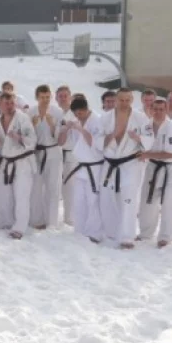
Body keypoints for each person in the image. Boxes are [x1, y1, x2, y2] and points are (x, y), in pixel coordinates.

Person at [100, 88, 153, 249]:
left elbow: (150, 139)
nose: (124, 103)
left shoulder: (141, 118)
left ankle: (127, 236)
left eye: (127, 100)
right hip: (111, 163)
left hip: (131, 163)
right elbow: (97, 140)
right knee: (108, 198)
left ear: (132, 100)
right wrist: (112, 135)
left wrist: (139, 138)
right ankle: (111, 231)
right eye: (121, 100)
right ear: (116, 100)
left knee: (129, 198)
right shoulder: (105, 117)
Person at [0, 92, 37, 239]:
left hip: (23, 161)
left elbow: (32, 140)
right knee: (2, 194)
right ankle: (6, 222)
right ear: (0, 104)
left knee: (21, 195)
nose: (9, 106)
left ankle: (20, 227)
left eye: (11, 103)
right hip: (7, 161)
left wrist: (19, 137)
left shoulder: (23, 118)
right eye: (6, 103)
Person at [136, 97, 172, 247]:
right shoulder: (146, 126)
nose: (158, 112)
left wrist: (147, 155)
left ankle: (165, 236)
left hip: (171, 168)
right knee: (147, 200)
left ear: (167, 110)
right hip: (153, 166)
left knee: (169, 202)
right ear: (150, 110)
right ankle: (145, 233)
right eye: (155, 109)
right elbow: (142, 146)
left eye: (161, 109)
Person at [59, 96, 105, 243]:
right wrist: (67, 129)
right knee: (79, 200)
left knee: (93, 200)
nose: (79, 116)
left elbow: (96, 143)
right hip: (80, 167)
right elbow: (64, 141)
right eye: (76, 114)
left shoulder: (97, 120)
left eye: (81, 113)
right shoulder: (77, 121)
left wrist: (80, 128)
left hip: (95, 167)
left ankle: (95, 232)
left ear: (86, 109)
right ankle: (80, 230)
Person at [28, 85, 64, 229]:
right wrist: (32, 125)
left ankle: (52, 222)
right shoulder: (30, 112)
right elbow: (26, 134)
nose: (45, 100)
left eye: (48, 97)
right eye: (42, 97)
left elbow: (61, 137)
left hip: (53, 152)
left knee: (53, 188)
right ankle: (37, 220)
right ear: (37, 97)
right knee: (36, 187)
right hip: (37, 153)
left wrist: (52, 125)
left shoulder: (58, 112)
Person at [55, 85, 76, 226]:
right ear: (56, 98)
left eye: (65, 95)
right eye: (60, 96)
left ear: (70, 97)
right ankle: (51, 216)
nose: (63, 98)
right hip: (55, 153)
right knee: (53, 187)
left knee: (70, 187)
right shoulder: (54, 113)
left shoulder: (76, 114)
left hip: (71, 154)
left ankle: (70, 217)